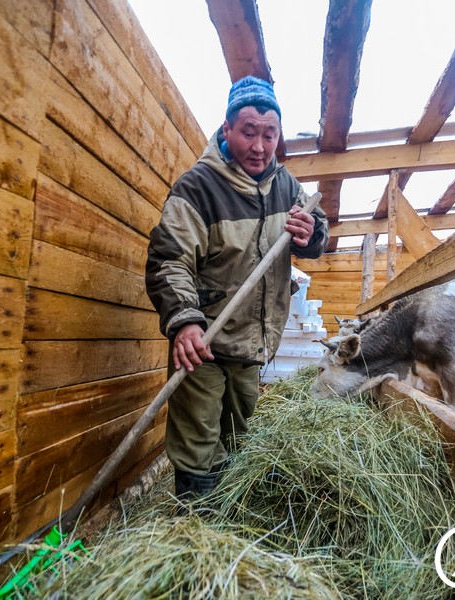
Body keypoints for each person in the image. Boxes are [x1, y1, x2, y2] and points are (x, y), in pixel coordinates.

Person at [145, 75, 329, 498]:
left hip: (252, 342)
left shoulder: (286, 185)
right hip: (204, 341)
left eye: (270, 134)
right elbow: (169, 259)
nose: (260, 146)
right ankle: (198, 525)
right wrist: (185, 321)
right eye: (249, 132)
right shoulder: (198, 188)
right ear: (227, 129)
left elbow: (318, 234)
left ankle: (230, 519)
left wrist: (310, 232)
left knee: (238, 436)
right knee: (198, 444)